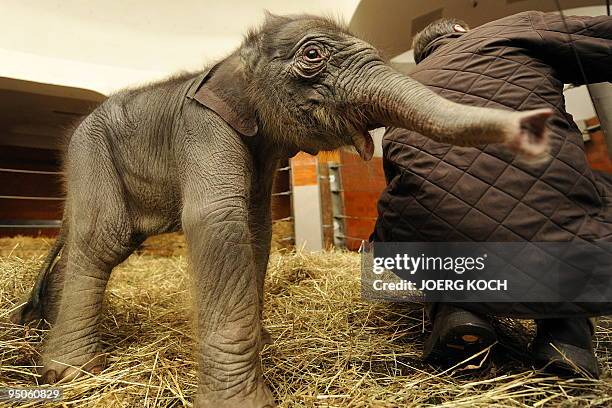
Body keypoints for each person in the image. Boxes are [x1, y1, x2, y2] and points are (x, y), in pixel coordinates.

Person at [372, 11, 612, 378]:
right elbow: (600, 40)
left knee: (395, 232)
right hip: (554, 232)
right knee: (584, 198)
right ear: (460, 31)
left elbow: (399, 186)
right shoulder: (508, 30)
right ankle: (567, 335)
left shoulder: (402, 91)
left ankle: (456, 311)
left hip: (449, 247)